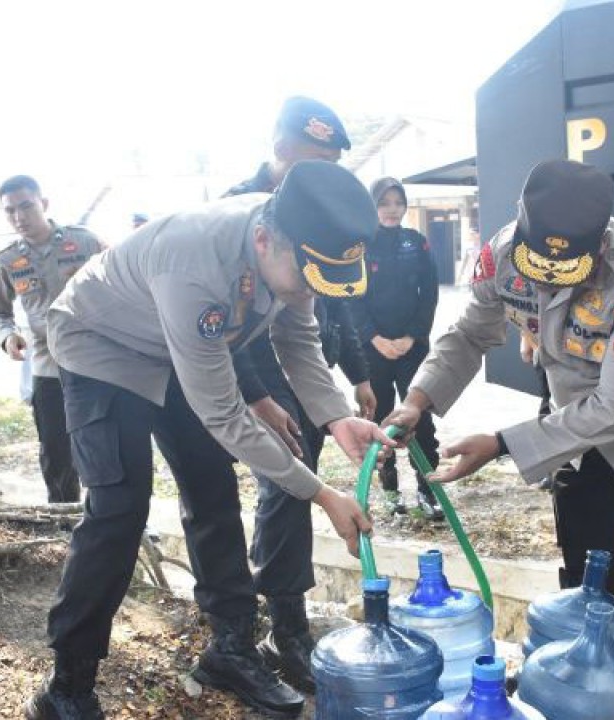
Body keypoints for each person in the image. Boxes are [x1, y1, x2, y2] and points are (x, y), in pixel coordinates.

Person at [26, 161, 394, 720]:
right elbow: (224, 414)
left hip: (171, 347)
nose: (306, 290)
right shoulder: (195, 263)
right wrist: (321, 494)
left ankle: (231, 649)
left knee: (213, 491)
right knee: (120, 508)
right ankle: (67, 685)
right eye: (304, 275)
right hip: (100, 344)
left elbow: (298, 338)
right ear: (266, 240)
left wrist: (335, 418)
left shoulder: (297, 252)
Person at [384, 160, 614, 719]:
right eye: (538, 264)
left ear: (600, 243)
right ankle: (588, 675)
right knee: (587, 559)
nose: (548, 279)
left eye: (566, 267)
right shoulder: (501, 256)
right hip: (575, 412)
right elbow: (471, 331)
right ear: (518, 226)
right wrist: (417, 399)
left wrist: (502, 443)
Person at [221, 95, 375, 692]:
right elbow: (231, 325)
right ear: (280, 149)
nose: (324, 174)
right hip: (255, 370)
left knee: (300, 481)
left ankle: (287, 619)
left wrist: (350, 383)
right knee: (286, 484)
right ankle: (283, 627)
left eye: (332, 162)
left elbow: (337, 304)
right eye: (312, 159)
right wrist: (260, 395)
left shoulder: (328, 206)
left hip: (308, 358)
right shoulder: (244, 208)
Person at [0, 175, 104, 504]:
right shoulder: (7, 260)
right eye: (10, 211)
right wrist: (7, 335)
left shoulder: (85, 243)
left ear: (44, 203)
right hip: (46, 367)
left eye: (26, 206)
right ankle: (63, 522)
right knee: (55, 452)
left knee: (101, 444)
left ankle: (112, 517)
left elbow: (119, 287)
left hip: (94, 364)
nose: (19, 217)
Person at [355, 176, 443, 519]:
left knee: (419, 418)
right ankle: (390, 490)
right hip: (372, 347)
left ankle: (428, 490)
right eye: (384, 203)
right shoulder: (360, 246)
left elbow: (430, 292)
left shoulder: (415, 242)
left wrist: (412, 336)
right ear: (371, 206)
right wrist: (374, 337)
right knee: (379, 418)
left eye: (397, 202)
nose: (392, 210)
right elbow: (352, 299)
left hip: (412, 347)